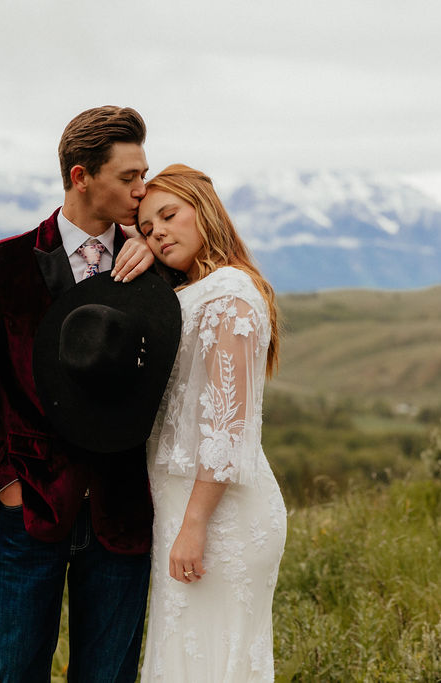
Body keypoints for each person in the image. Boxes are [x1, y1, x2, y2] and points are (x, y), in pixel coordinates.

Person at [0, 106, 158, 682]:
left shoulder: (155, 268)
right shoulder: (2, 267)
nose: (143, 190)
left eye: (144, 175)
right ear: (81, 176)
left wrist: (155, 249)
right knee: (15, 676)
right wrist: (3, 482)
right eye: (128, 177)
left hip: (124, 511)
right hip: (30, 509)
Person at [136, 164, 288, 682]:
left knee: (209, 665)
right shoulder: (190, 292)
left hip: (217, 515)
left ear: (205, 210)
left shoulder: (229, 294)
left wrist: (195, 526)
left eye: (169, 214)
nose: (157, 232)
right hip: (187, 506)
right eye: (146, 227)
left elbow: (226, 424)